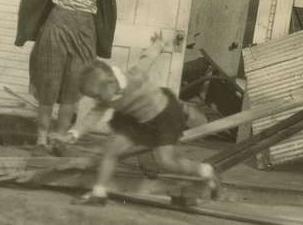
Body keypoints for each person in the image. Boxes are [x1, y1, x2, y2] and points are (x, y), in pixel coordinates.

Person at [14, 0, 117, 150]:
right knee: (49, 80)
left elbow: (107, 6)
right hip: (57, 24)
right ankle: (41, 137)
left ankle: (59, 137)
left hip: (85, 30)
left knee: (74, 84)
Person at [61, 60, 219, 206]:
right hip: (137, 119)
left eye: (97, 95)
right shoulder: (106, 95)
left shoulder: (134, 77)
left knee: (166, 161)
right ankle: (99, 193)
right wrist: (74, 133)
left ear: (110, 82)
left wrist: (158, 45)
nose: (97, 99)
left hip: (164, 115)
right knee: (110, 151)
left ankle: (205, 170)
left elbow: (147, 58)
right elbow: (94, 114)